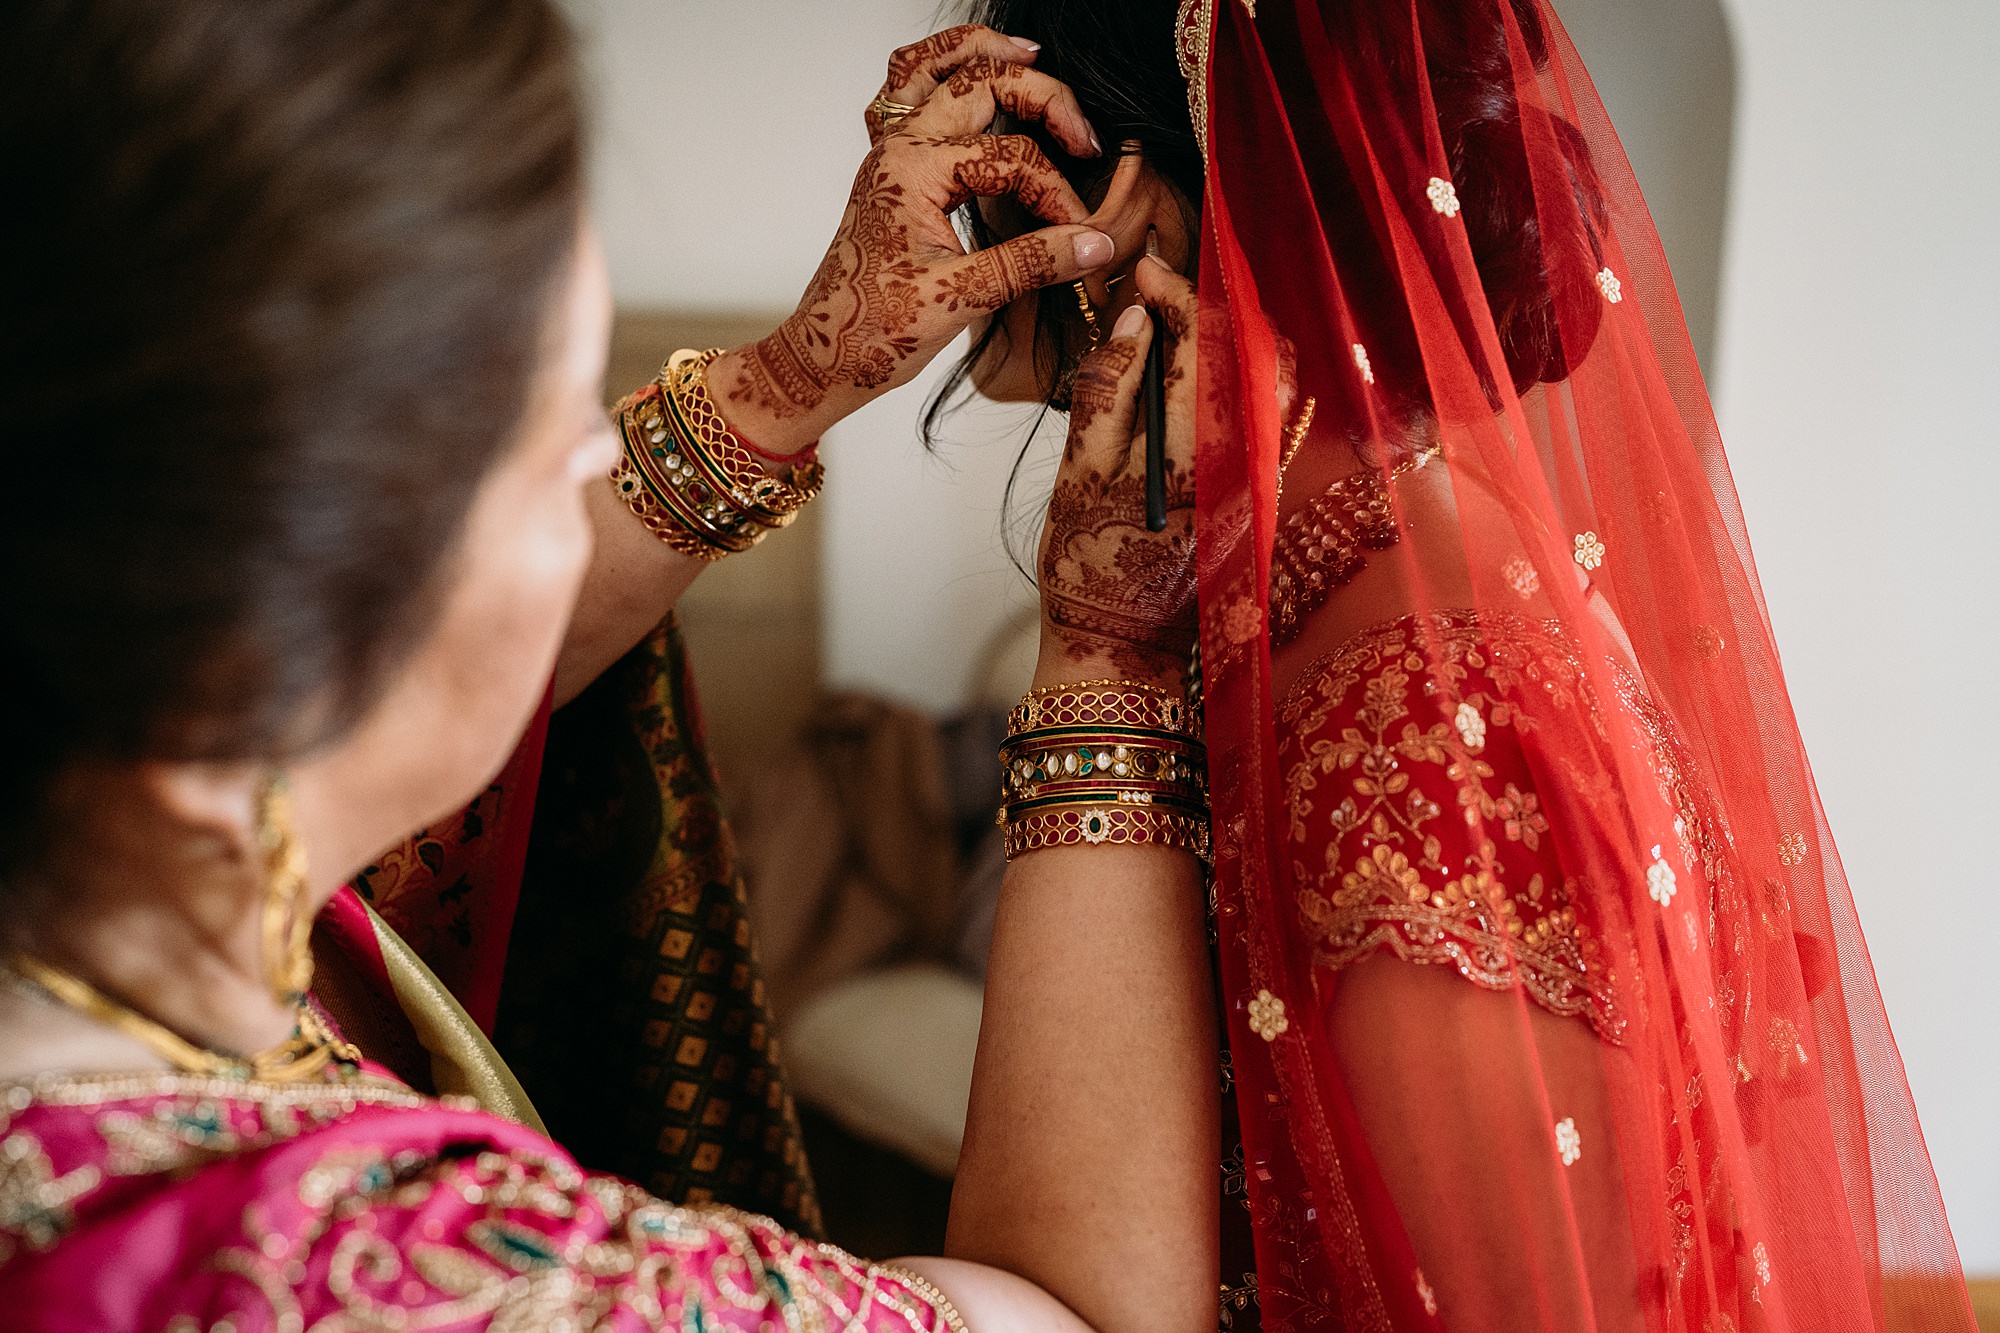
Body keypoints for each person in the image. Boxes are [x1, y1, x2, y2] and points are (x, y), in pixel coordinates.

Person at [0, 2, 1208, 1327]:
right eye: (549, 434)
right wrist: (1109, 667)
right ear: (242, 647)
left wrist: (798, 373)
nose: (598, 463)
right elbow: (1079, 1315)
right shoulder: (416, 1281)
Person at [940, 1, 1982, 1331]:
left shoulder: (1417, 711)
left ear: (1131, 213)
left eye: (992, 145)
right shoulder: (1328, 563)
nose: (955, 213)